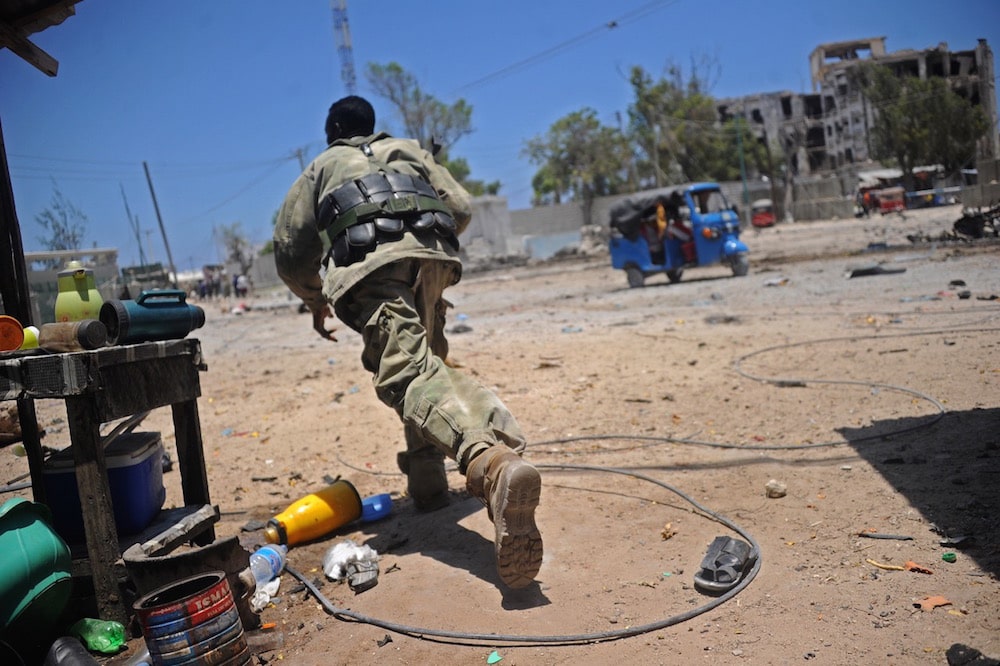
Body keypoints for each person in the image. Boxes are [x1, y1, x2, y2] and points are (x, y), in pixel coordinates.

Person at [273, 95, 543, 588]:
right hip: (433, 256)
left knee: (409, 373)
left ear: (333, 131)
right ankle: (429, 489)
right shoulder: (410, 149)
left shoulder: (321, 167)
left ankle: (490, 464)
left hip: (371, 265)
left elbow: (291, 254)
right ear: (372, 127)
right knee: (427, 364)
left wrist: (316, 299)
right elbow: (459, 208)